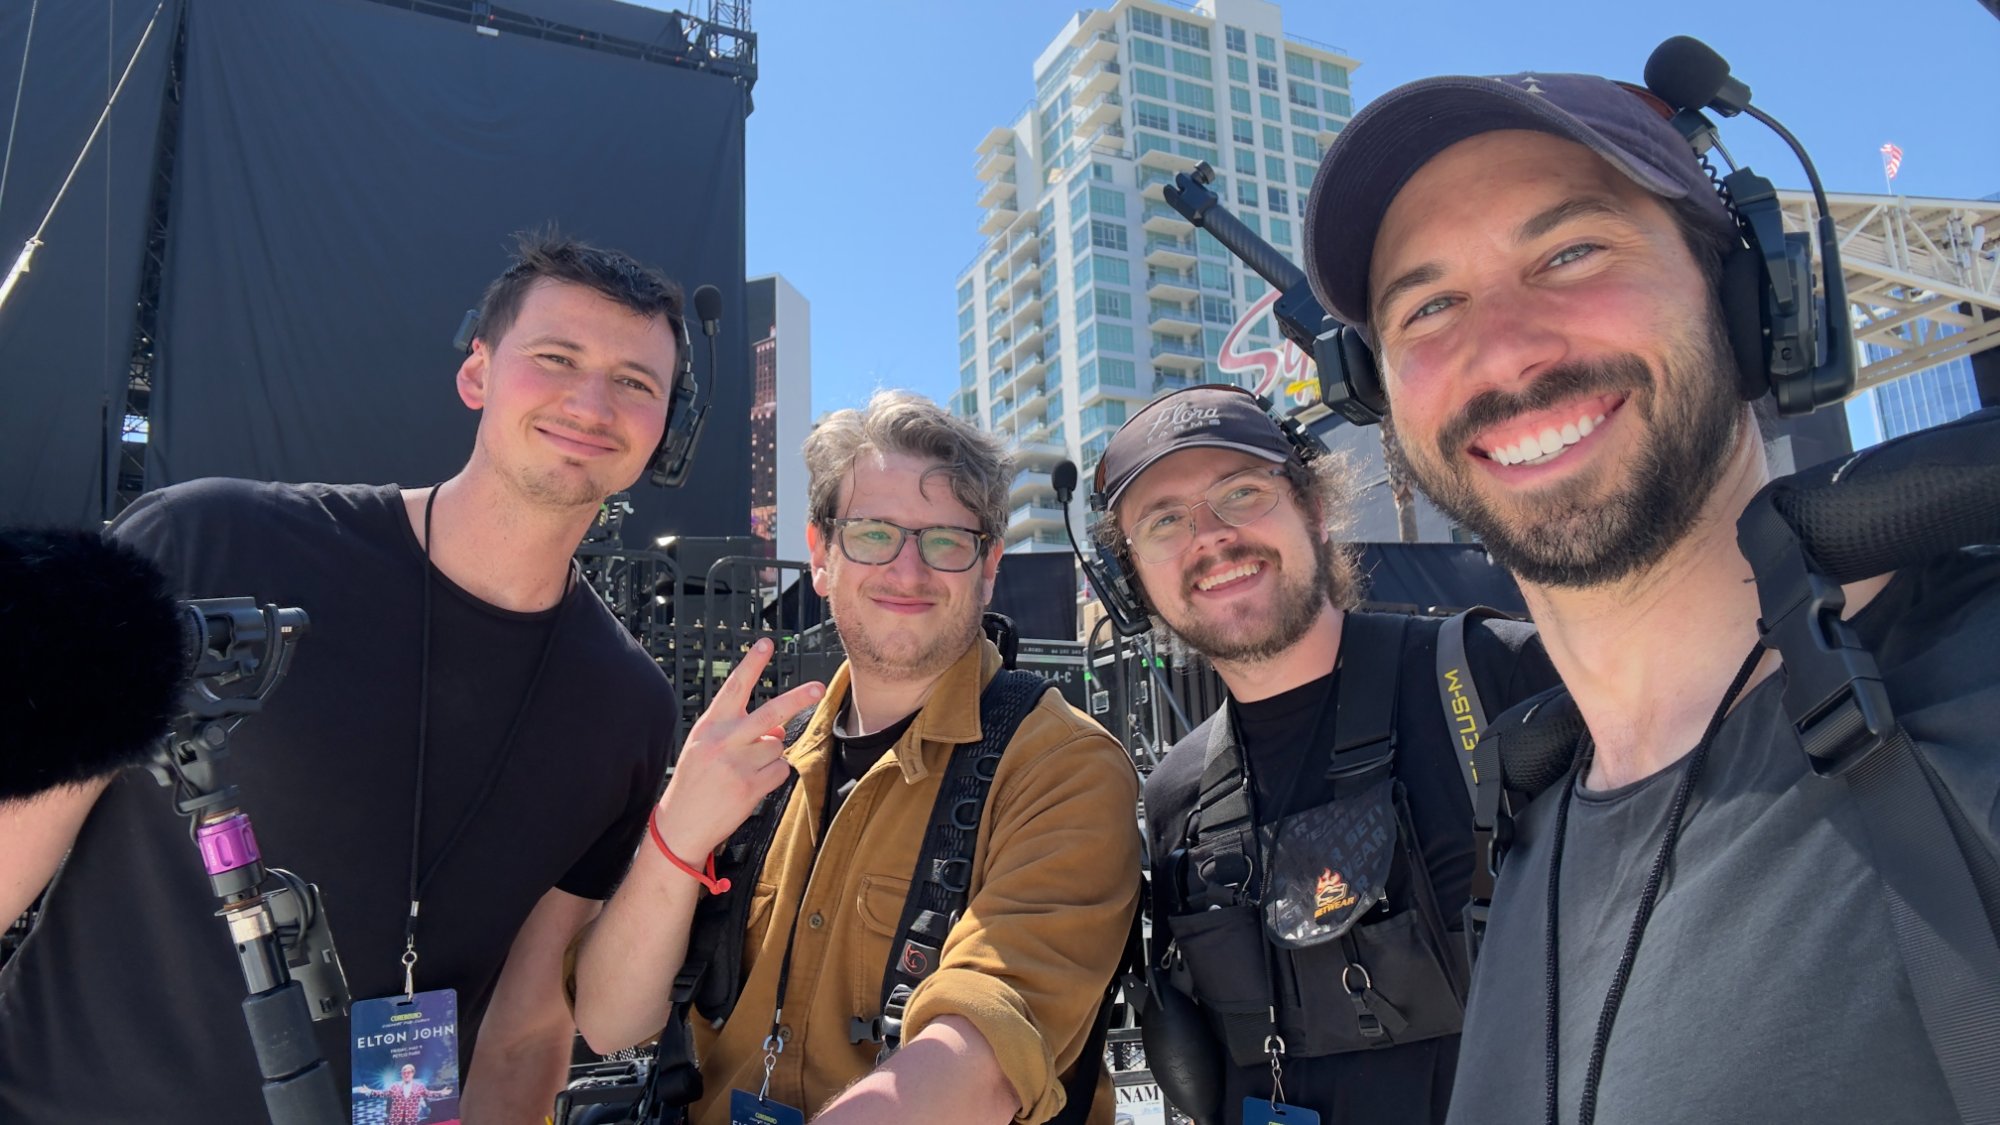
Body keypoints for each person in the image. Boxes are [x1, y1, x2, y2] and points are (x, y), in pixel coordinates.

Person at [1300, 69, 2000, 1124]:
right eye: (1428, 306)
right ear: (1379, 398)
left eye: (1572, 253)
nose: (1501, 349)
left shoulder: (1973, 690)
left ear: (1745, 295)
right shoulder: (1528, 817)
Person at [0, 233, 683, 1123]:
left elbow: (525, 1026)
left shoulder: (627, 706)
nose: (592, 400)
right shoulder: (209, 543)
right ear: (477, 374)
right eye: (556, 357)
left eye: (637, 380)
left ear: (665, 428)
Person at [570, 390, 1142, 1125]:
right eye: (874, 534)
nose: (907, 570)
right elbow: (610, 1020)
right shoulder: (754, 762)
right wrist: (675, 836)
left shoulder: (1062, 768)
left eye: (944, 540)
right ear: (821, 555)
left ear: (988, 564)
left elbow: (984, 1054)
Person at [1090, 385, 1559, 1124]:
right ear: (1132, 580)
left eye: (1240, 492)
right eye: (1165, 520)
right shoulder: (1172, 795)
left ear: (1312, 506)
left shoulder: (1494, 677)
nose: (1209, 536)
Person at [357, 1063, 455, 1125]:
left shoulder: (419, 1086)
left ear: (413, 1073)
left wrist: (442, 1093)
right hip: (395, 1120)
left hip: (411, 1120)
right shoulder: (395, 1086)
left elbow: (429, 1094)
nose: (406, 1074)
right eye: (404, 1073)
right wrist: (369, 1091)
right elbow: (383, 1094)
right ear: (401, 1074)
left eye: (409, 1072)